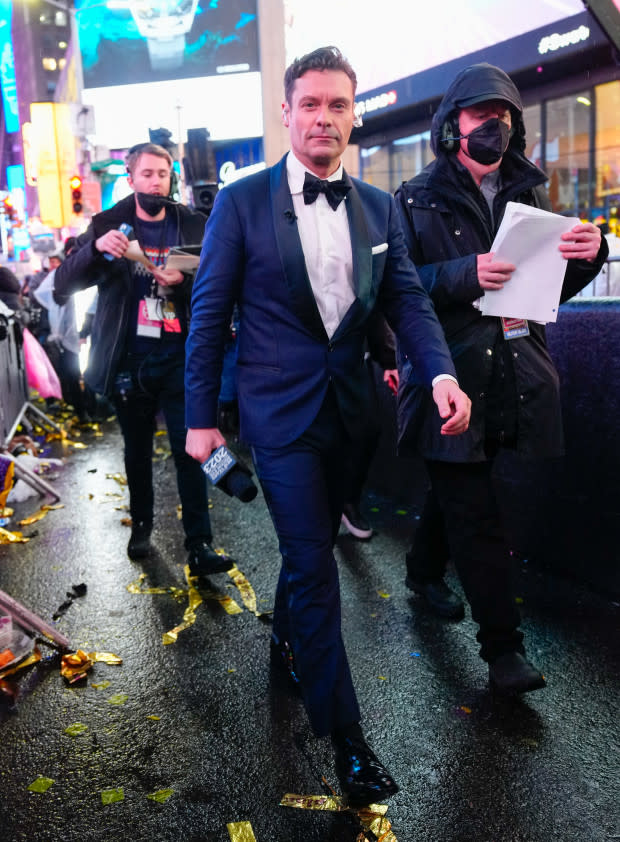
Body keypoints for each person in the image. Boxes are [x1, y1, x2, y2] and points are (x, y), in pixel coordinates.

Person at [185, 46, 471, 806]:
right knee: (314, 562)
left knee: (309, 550)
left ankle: (286, 641)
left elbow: (406, 301)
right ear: (287, 113)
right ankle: (345, 740)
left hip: (353, 416)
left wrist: (440, 372)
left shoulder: (380, 209)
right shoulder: (241, 203)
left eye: (337, 105)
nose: (323, 118)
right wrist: (199, 422)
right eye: (309, 104)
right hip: (277, 417)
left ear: (353, 114)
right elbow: (209, 315)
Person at [395, 63, 608, 693]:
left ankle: (422, 569)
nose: (494, 126)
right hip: (448, 375)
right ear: (452, 124)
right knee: (476, 508)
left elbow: (545, 292)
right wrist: (465, 272)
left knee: (464, 484)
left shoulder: (530, 195)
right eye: (480, 115)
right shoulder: (413, 198)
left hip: (511, 372)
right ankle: (503, 651)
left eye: (505, 116)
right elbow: (400, 291)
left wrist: (587, 258)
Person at [54, 142, 231, 573]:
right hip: (129, 361)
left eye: (163, 174)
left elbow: (221, 285)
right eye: (147, 174)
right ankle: (142, 525)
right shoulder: (107, 224)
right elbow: (62, 285)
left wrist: (182, 285)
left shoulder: (192, 223)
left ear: (173, 178)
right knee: (136, 452)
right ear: (130, 179)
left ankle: (200, 544)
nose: (156, 181)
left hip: (180, 357)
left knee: (190, 450)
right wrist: (95, 248)